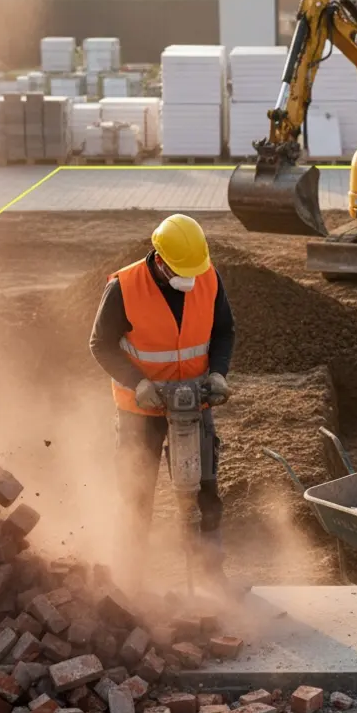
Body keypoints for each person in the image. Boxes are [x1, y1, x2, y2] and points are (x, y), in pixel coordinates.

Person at [89, 214, 236, 593]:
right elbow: (100, 344)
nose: (189, 279)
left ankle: (210, 578)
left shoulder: (207, 277)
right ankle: (130, 581)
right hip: (141, 410)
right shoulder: (124, 287)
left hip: (195, 404)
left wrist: (218, 372)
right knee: (137, 496)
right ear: (159, 259)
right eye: (180, 270)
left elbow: (224, 330)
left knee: (204, 493)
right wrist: (137, 383)